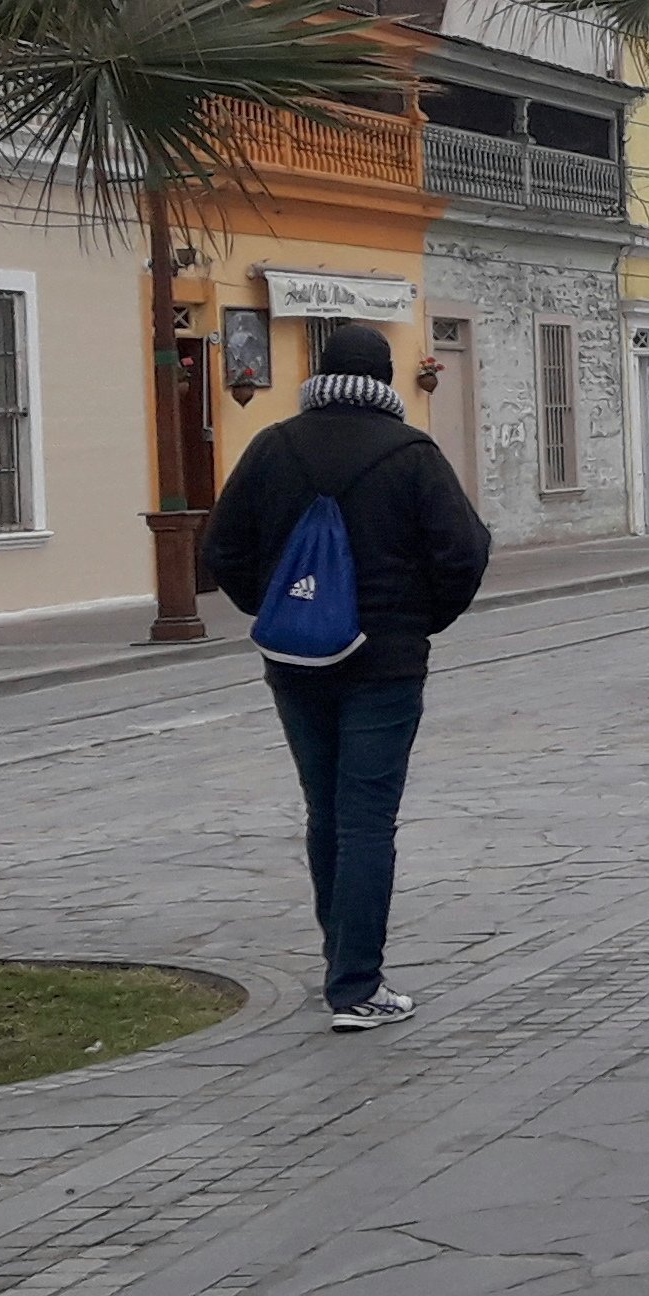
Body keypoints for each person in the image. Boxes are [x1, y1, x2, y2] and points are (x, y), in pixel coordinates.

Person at [199, 320, 492, 1033]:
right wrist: (417, 621)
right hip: (385, 663)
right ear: (386, 379)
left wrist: (271, 607)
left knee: (324, 811)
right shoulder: (412, 453)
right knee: (367, 817)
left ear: (320, 375)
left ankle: (342, 960)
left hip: (294, 659)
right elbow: (464, 552)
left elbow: (220, 548)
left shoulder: (273, 446)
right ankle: (356, 983)